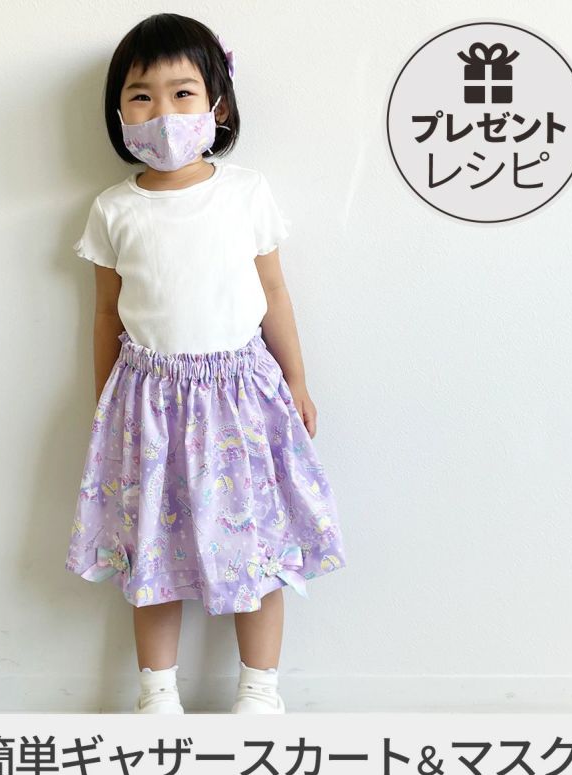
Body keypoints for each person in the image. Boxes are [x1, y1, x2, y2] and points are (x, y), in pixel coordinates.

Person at [65, 12, 347, 714]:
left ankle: (261, 690)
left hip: (242, 397)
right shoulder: (113, 209)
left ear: (216, 104)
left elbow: (274, 292)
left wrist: (298, 380)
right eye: (141, 96)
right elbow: (106, 314)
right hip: (149, 403)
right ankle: (157, 695)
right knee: (153, 554)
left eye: (182, 93)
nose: (163, 112)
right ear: (118, 112)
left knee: (258, 546)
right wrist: (105, 404)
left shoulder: (246, 192)